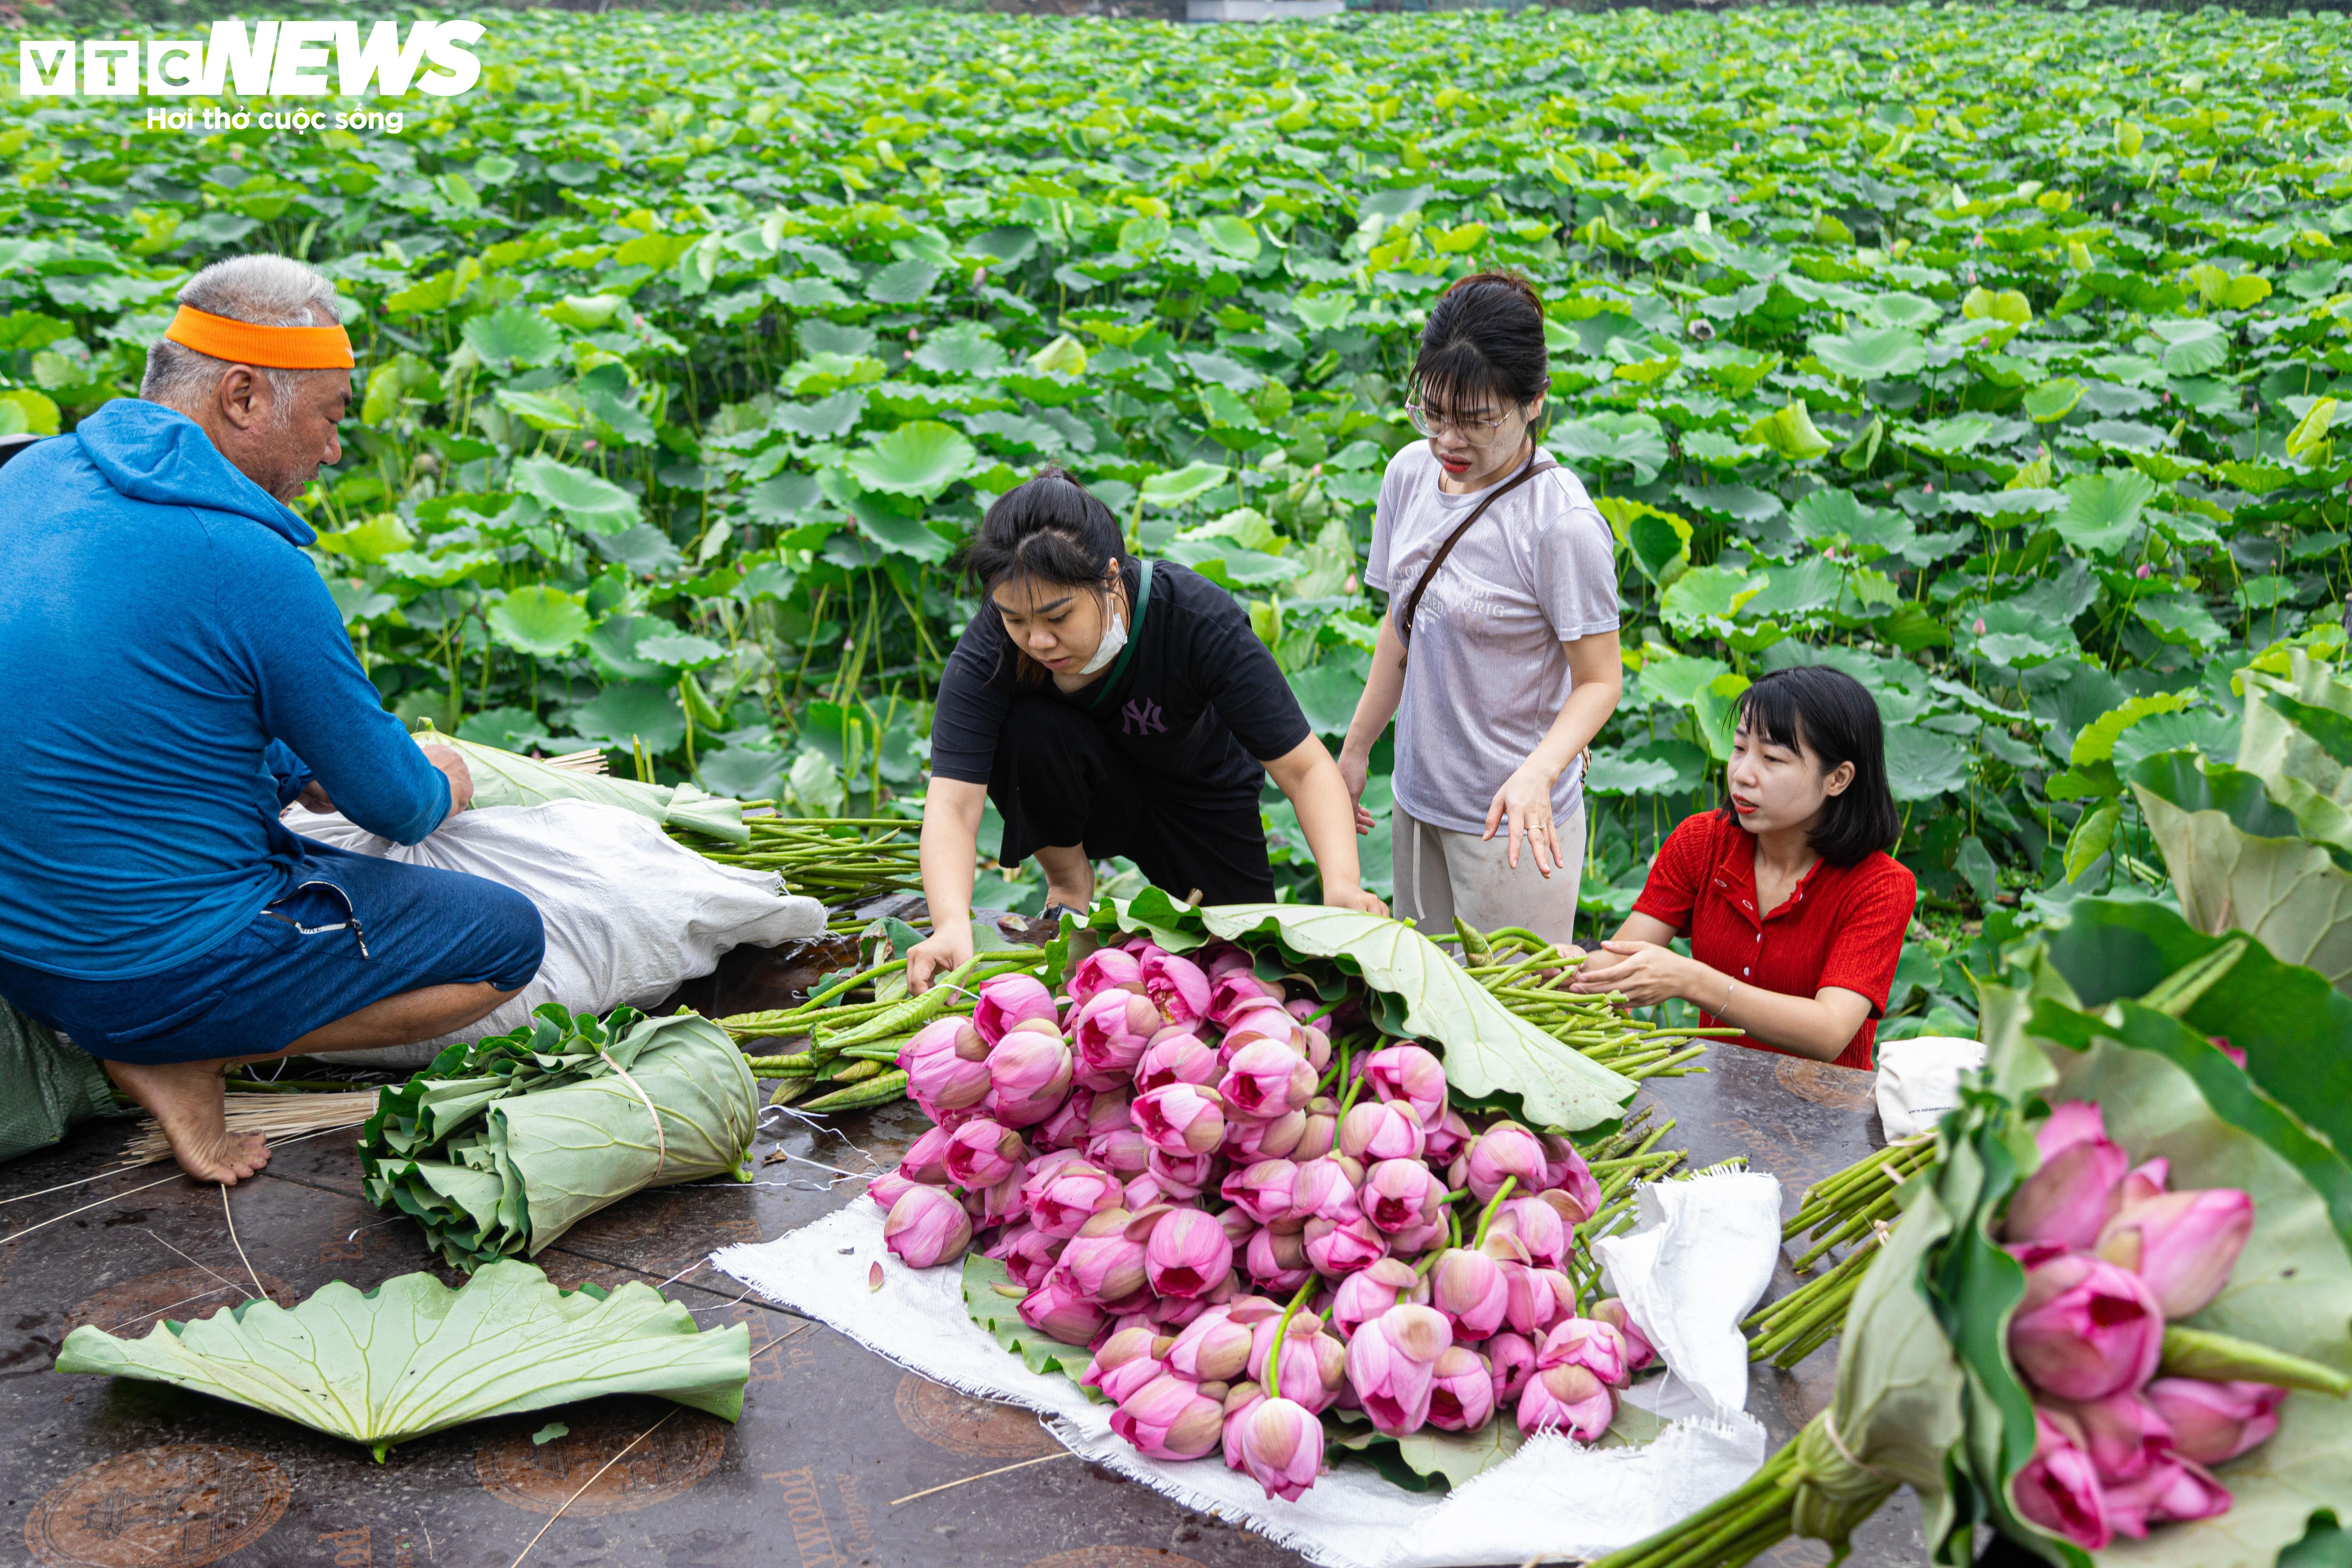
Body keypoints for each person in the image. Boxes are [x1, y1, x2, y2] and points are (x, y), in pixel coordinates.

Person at [0, 255, 545, 1184]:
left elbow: (132, 696)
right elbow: (396, 809)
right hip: (139, 972)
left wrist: (293, 768)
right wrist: (446, 776)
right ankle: (184, 1047)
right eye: (331, 416)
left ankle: (158, 1028)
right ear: (244, 396)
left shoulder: (29, 476)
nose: (335, 450)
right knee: (506, 940)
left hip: (19, 951)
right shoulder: (252, 562)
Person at [906, 470, 1384, 991]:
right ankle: (1069, 884)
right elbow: (953, 802)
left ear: (1111, 578)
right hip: (1083, 798)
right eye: (1015, 620)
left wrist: (1342, 885)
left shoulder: (1195, 618)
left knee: (1246, 964)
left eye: (1057, 616)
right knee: (1027, 728)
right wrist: (950, 924)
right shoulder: (990, 650)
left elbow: (1306, 768)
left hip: (1200, 794)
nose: (1038, 640)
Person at [1338, 271, 1622, 949]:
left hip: (1513, 824)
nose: (1448, 441)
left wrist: (1537, 772)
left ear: (1534, 403)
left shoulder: (1562, 526)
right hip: (1418, 798)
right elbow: (1400, 629)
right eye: (1433, 413)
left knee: (1512, 1022)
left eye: (1475, 420)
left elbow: (1600, 681)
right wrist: (1354, 750)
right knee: (1424, 1010)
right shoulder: (1408, 474)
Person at [1569, 665, 1916, 1071]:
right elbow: (1620, 963)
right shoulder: (1702, 842)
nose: (1742, 774)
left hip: (1825, 1115)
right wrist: (1566, 968)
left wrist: (1691, 980)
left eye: (1771, 758)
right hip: (1706, 1091)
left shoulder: (1880, 886)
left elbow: (1830, 1031)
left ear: (1838, 778)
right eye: (1739, 748)